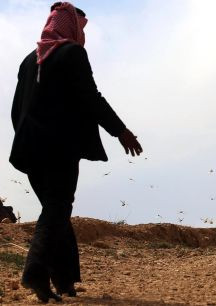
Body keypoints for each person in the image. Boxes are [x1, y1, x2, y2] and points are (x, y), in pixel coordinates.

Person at [9, 2, 143, 303]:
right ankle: (35, 269)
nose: (82, 34)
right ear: (71, 26)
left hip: (29, 149)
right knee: (58, 207)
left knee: (55, 211)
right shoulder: (72, 53)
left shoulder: (29, 60)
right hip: (58, 147)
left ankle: (65, 279)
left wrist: (25, 139)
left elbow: (16, 110)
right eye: (80, 27)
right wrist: (121, 131)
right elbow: (91, 97)